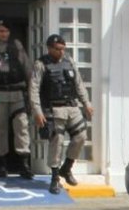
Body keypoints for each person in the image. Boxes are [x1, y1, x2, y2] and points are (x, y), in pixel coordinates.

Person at [29, 33, 94, 194]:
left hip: (72, 107)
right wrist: (37, 111)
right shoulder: (41, 64)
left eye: (63, 49)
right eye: (58, 49)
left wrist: (86, 103)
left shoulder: (69, 61)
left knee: (81, 137)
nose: (61, 52)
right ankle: (55, 177)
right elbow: (34, 88)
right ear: (50, 48)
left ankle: (67, 167)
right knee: (56, 141)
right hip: (53, 109)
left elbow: (78, 84)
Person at [0, 19, 35, 179]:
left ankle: (24, 164)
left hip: (17, 93)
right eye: (1, 31)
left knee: (21, 127)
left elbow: (27, 68)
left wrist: (32, 92)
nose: (4, 34)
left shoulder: (16, 45)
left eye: (7, 31)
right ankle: (1, 164)